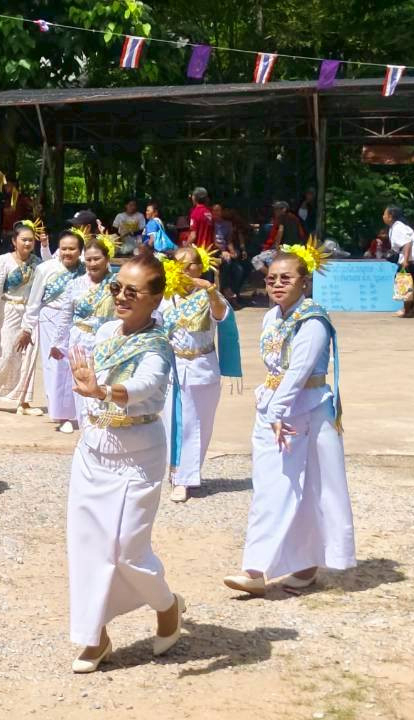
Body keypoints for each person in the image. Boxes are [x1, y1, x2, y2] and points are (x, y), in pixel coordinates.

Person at [66, 248, 185, 674]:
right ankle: (94, 636)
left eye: (132, 292)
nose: (121, 296)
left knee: (128, 550)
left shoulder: (158, 346)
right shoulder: (104, 332)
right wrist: (90, 395)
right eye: (118, 288)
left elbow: (145, 384)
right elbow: (87, 383)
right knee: (87, 546)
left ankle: (167, 605)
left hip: (138, 455)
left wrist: (103, 391)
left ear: (156, 298)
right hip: (93, 451)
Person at [223, 245, 354, 597]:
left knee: (295, 487)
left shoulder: (312, 321)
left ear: (304, 283)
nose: (277, 284)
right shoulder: (272, 317)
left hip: (304, 410)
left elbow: (298, 373)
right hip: (274, 407)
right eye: (271, 279)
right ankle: (295, 565)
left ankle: (260, 569)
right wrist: (269, 407)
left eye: (286, 278)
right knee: (276, 485)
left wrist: (277, 411)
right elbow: (275, 370)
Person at [160, 246, 234, 503]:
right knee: (174, 421)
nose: (183, 269)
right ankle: (177, 474)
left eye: (189, 264)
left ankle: (188, 474)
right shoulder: (165, 297)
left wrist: (210, 290)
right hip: (173, 366)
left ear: (200, 267)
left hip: (201, 367)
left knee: (198, 424)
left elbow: (221, 316)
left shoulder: (208, 295)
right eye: (178, 264)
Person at [18, 230, 85, 433]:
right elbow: (34, 300)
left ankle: (81, 412)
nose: (67, 253)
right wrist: (27, 328)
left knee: (78, 365)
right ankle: (61, 415)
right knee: (56, 367)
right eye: (64, 248)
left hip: (77, 321)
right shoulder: (46, 269)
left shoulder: (85, 269)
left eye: (72, 249)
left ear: (80, 250)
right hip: (50, 320)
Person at [54, 233, 118, 429]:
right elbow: (65, 316)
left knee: (104, 385)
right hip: (80, 342)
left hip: (108, 343)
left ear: (107, 259)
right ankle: (85, 429)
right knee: (82, 386)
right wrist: (58, 343)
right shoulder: (75, 284)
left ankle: (104, 428)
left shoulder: (117, 284)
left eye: (97, 259)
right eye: (88, 260)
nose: (92, 264)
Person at [0, 222, 44, 415]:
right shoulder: (4, 261)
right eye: (24, 240)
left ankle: (24, 403)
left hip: (29, 312)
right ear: (15, 241)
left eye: (31, 240)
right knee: (5, 354)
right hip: (7, 311)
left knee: (28, 356)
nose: (28, 243)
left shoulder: (37, 263)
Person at [383, 205, 414, 318]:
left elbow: (407, 243)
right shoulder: (395, 227)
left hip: (412, 256)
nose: (383, 216)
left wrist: (406, 261)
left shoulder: (398, 228)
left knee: (404, 280)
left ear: (390, 216)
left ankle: (407, 310)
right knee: (408, 280)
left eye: (385, 214)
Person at [211, 202, 247, 303]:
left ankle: (234, 293)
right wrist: (223, 251)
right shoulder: (210, 224)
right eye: (214, 211)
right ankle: (225, 289)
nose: (217, 213)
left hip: (225, 250)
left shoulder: (227, 224)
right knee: (227, 262)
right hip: (215, 250)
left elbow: (229, 241)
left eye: (219, 210)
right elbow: (212, 241)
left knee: (239, 269)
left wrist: (232, 251)